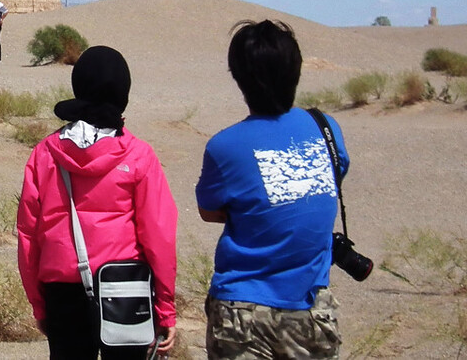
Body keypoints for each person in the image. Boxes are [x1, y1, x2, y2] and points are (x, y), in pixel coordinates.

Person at [196, 20, 347, 359]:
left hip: (244, 313)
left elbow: (210, 210)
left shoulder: (225, 146)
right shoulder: (325, 129)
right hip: (312, 311)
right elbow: (333, 182)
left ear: (238, 77)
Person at [18, 45, 177, 359]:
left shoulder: (45, 153)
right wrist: (166, 308)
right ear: (123, 93)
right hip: (126, 287)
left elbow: (28, 235)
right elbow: (159, 235)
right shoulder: (139, 155)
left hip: (61, 291)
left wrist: (39, 304)